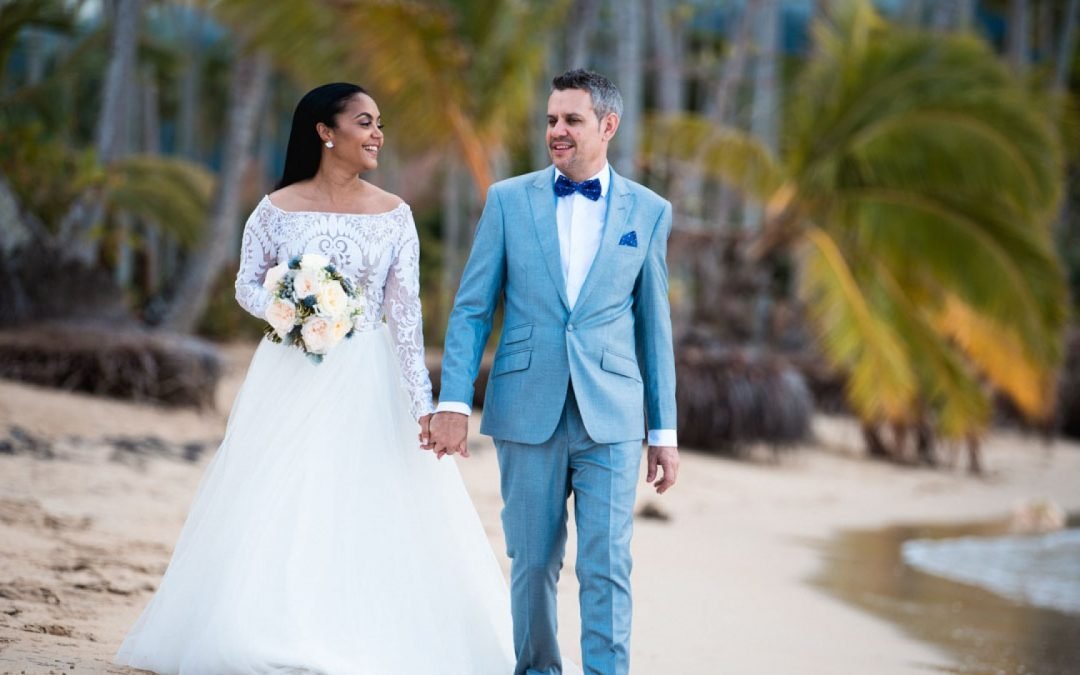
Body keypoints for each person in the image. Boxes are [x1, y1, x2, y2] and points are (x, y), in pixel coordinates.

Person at [115, 83, 515, 674]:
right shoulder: (275, 208)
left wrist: (423, 406)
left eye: (379, 123)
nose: (377, 134)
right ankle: (271, 627)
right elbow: (246, 284)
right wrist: (291, 306)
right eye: (364, 122)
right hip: (291, 371)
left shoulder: (395, 214)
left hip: (369, 376)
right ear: (326, 132)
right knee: (281, 495)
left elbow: (405, 315)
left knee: (368, 498)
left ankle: (363, 632)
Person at [428, 69, 680, 675]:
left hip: (611, 415)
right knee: (533, 559)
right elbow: (472, 308)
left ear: (608, 125)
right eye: (551, 120)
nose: (557, 131)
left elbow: (654, 327)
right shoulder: (507, 200)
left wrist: (663, 432)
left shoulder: (650, 212)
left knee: (607, 564)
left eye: (571, 119)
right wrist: (453, 402)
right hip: (526, 405)